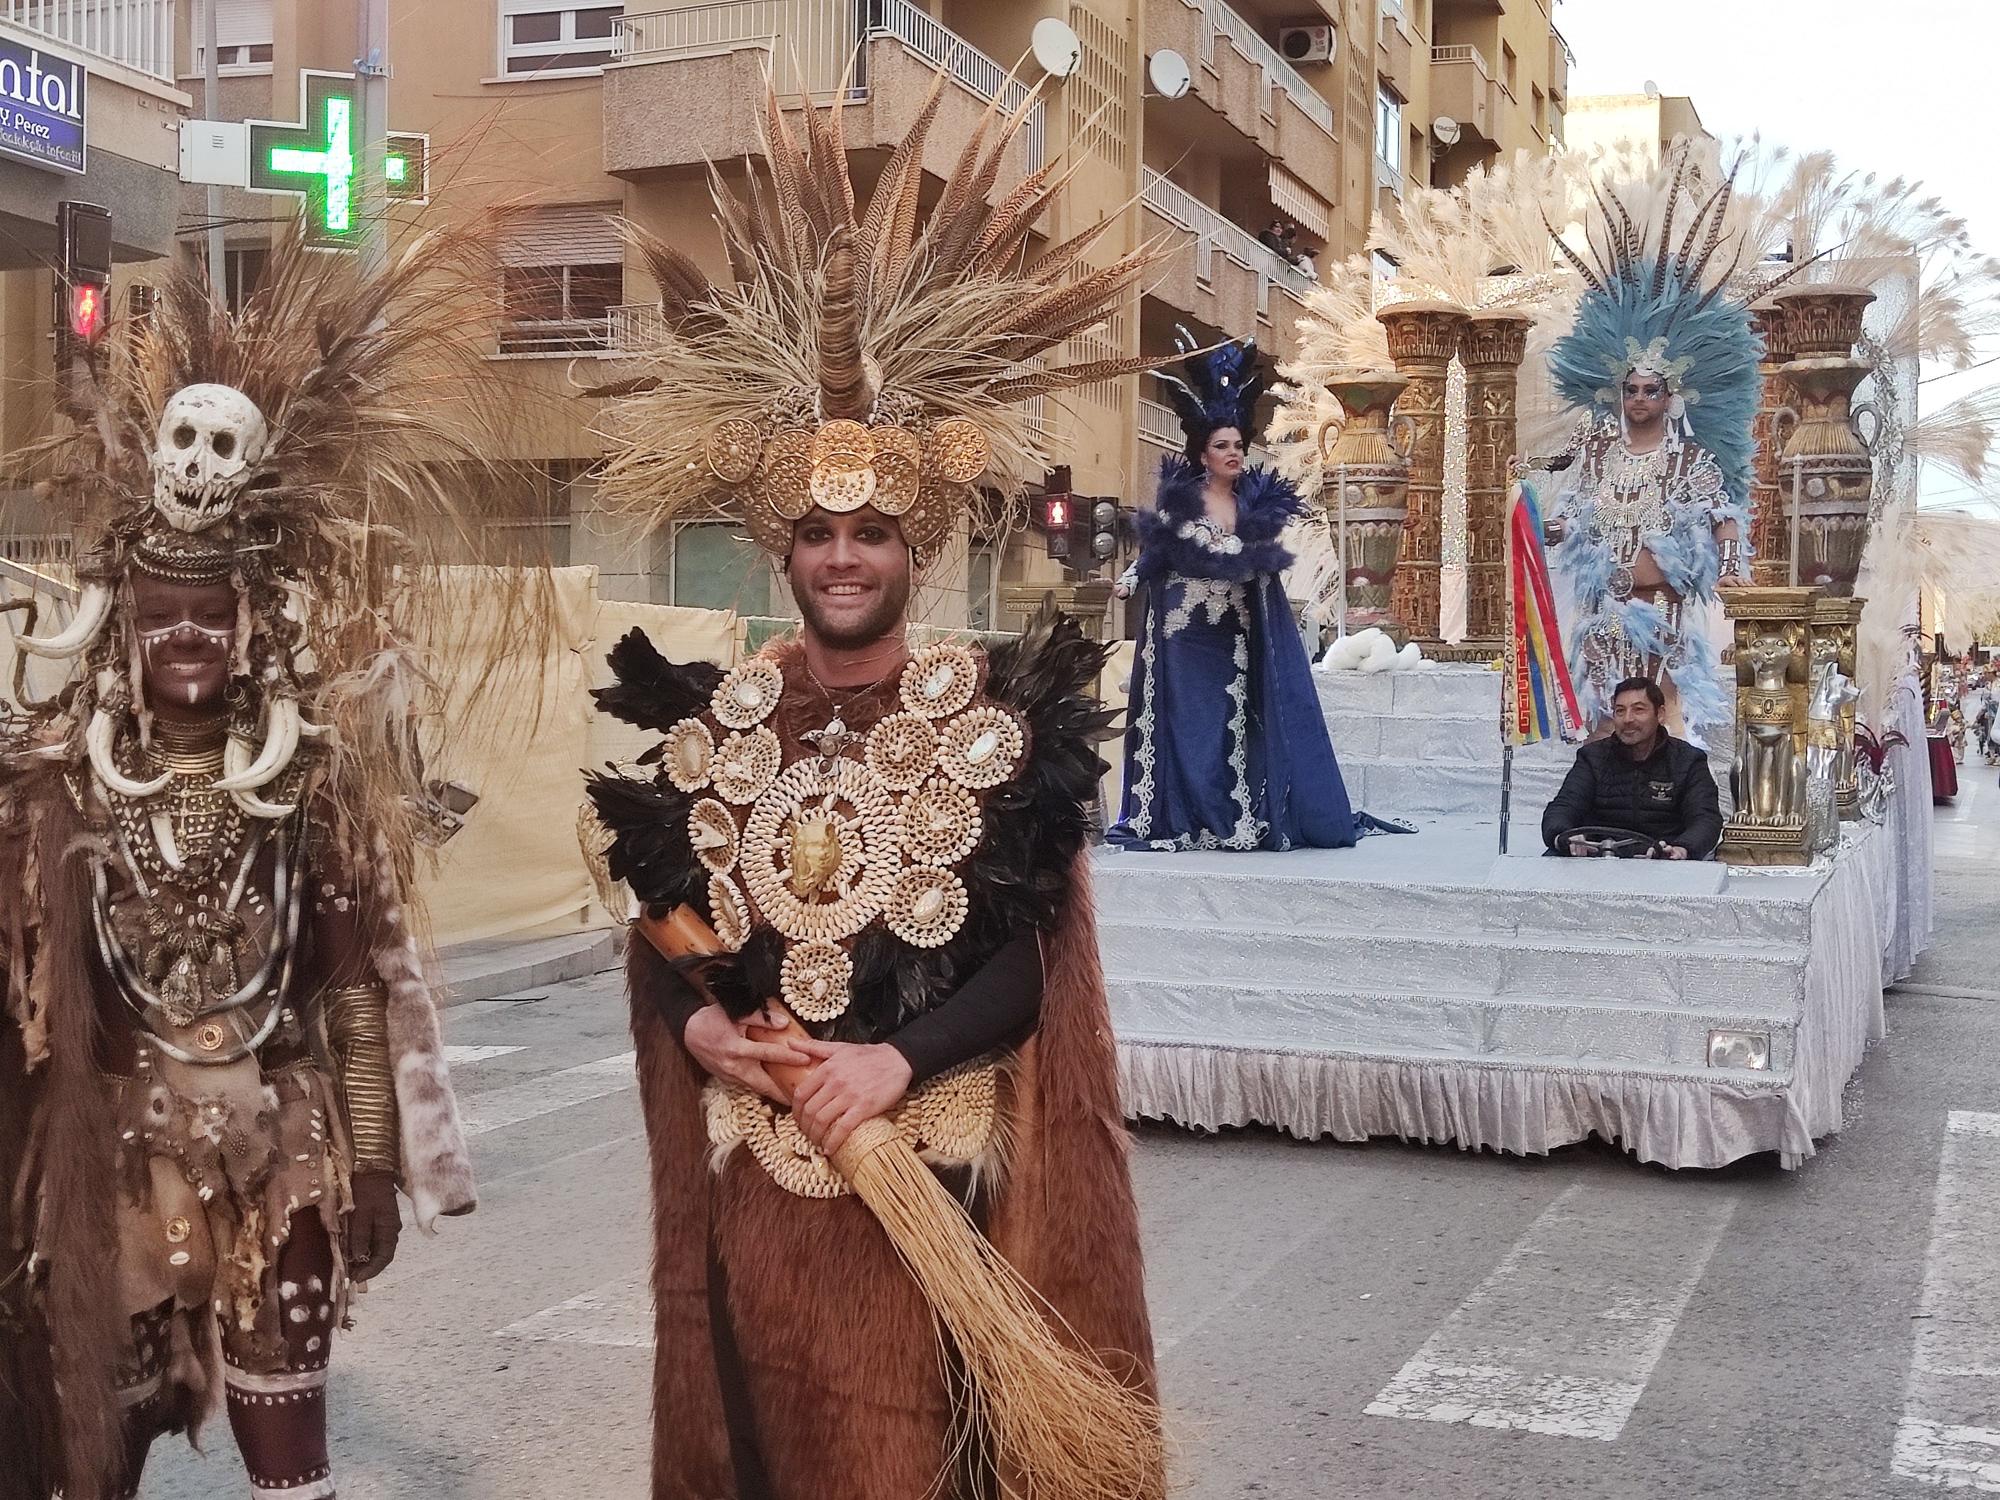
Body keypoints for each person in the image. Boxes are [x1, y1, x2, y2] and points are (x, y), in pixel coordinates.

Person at [581, 68, 1163, 1499]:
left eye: (875, 531)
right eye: (822, 531)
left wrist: (890, 1065)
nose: (846, 556)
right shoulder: (725, 719)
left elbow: (1028, 969)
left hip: (924, 1202)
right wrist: (702, 1037)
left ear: (918, 548)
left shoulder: (988, 718)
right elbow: (668, 927)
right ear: (783, 548)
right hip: (756, 1205)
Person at [0, 232, 525, 1500]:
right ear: (119, 626)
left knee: (289, 1454)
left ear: (254, 626)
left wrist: (377, 1162)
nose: (187, 634)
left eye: (213, 612)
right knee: (89, 1458)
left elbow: (350, 993)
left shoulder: (313, 795)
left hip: (275, 1156)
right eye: (159, 612)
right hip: (105, 1158)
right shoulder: (49, 793)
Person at [1110, 335, 1362, 850]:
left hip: (1232, 638)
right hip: (1183, 640)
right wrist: (1133, 578)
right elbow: (1158, 549)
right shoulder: (1183, 499)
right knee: (1188, 729)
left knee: (1230, 730)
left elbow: (1261, 570)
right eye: (1222, 446)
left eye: (1238, 446)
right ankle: (1182, 817)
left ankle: (1228, 818)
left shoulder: (1254, 504)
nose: (1234, 454)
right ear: (1203, 453)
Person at [1544, 146, 1757, 749]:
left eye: (1651, 390)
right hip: (1599, 609)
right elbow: (1573, 508)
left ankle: (1653, 806)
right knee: (1603, 718)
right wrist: (1547, 527)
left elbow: (1723, 519)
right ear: (1618, 394)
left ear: (1670, 396)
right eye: (1630, 389)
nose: (1639, 398)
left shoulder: (1689, 460)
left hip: (1660, 611)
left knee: (1652, 715)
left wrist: (1737, 573)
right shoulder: (1596, 448)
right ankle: (1602, 799)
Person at [1542, 678, 1723, 859]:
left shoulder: (1689, 760)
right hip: (1597, 863)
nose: (1628, 719)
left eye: (1638, 709)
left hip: (1663, 865)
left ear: (1660, 714)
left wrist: (1682, 849)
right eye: (1620, 711)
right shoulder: (1592, 757)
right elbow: (1562, 808)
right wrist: (1565, 836)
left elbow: (1706, 819)